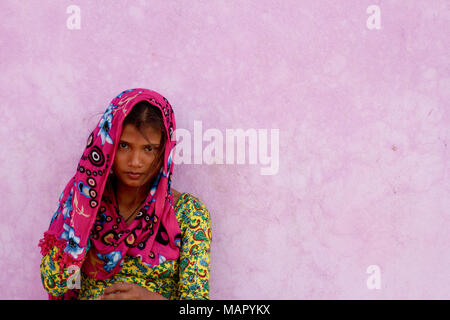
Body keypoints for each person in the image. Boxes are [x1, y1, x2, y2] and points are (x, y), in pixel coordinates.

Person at [38, 88, 212, 300]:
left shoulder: (188, 214)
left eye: (149, 149)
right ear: (106, 145)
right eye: (124, 146)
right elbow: (54, 284)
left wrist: (149, 298)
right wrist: (81, 221)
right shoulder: (82, 199)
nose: (135, 162)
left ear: (164, 151)